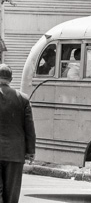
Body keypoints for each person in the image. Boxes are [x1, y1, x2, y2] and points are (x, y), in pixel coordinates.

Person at [0, 64, 36, 203]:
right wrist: (30, 151)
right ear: (11, 79)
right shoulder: (23, 99)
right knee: (12, 194)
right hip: (15, 154)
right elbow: (29, 127)